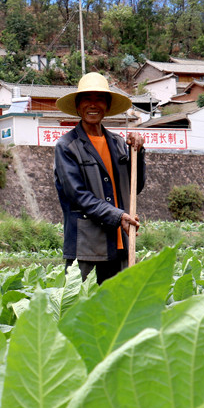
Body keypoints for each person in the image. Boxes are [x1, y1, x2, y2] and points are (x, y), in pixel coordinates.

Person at [54, 72, 145, 284]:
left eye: (99, 99)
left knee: (117, 311)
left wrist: (138, 152)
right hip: (86, 248)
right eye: (87, 99)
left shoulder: (119, 144)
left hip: (120, 245)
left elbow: (135, 187)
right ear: (78, 106)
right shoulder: (67, 147)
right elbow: (78, 196)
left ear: (107, 106)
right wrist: (118, 216)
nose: (93, 105)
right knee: (83, 310)